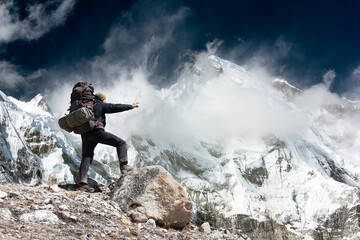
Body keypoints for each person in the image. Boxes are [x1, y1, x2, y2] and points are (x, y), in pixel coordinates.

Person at [78, 92, 139, 192]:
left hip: (85, 135)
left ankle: (82, 183)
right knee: (121, 143)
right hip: (96, 132)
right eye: (105, 100)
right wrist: (131, 106)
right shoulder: (100, 105)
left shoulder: (87, 108)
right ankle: (124, 166)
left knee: (86, 157)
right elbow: (114, 107)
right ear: (102, 99)